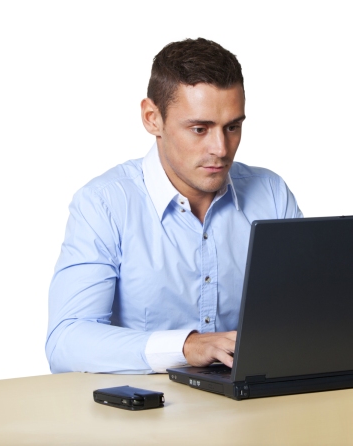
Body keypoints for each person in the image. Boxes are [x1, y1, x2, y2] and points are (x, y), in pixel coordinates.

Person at [46, 38, 302, 374]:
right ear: (152, 118)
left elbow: (303, 315)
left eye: (232, 127)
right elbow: (66, 343)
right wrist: (186, 346)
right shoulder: (105, 204)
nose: (221, 148)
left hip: (253, 409)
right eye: (199, 129)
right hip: (145, 414)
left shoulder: (270, 193)